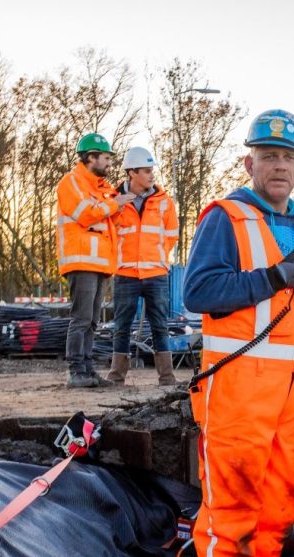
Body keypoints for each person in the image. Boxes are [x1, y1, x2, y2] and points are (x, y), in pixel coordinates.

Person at [183, 109, 294, 557]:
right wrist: (270, 277)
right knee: (233, 505)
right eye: (269, 156)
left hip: (290, 390)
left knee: (278, 502)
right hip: (241, 387)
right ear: (250, 162)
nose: (280, 166)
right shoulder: (227, 218)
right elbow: (198, 291)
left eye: (289, 158)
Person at [56, 133, 133, 388]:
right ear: (91, 158)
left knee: (91, 320)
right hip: (81, 261)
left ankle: (87, 370)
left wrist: (118, 205)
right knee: (81, 318)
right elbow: (85, 215)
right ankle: (76, 371)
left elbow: (112, 222)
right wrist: (114, 205)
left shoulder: (102, 189)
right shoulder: (71, 182)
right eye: (106, 158)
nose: (109, 164)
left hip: (100, 263)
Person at [107, 146, 179, 386]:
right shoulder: (113, 201)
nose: (151, 175)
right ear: (132, 173)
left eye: (151, 171)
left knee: (160, 324)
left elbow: (171, 236)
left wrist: (156, 257)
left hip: (156, 273)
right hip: (125, 273)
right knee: (122, 326)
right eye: (147, 171)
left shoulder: (165, 202)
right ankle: (116, 377)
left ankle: (167, 377)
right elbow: (107, 233)